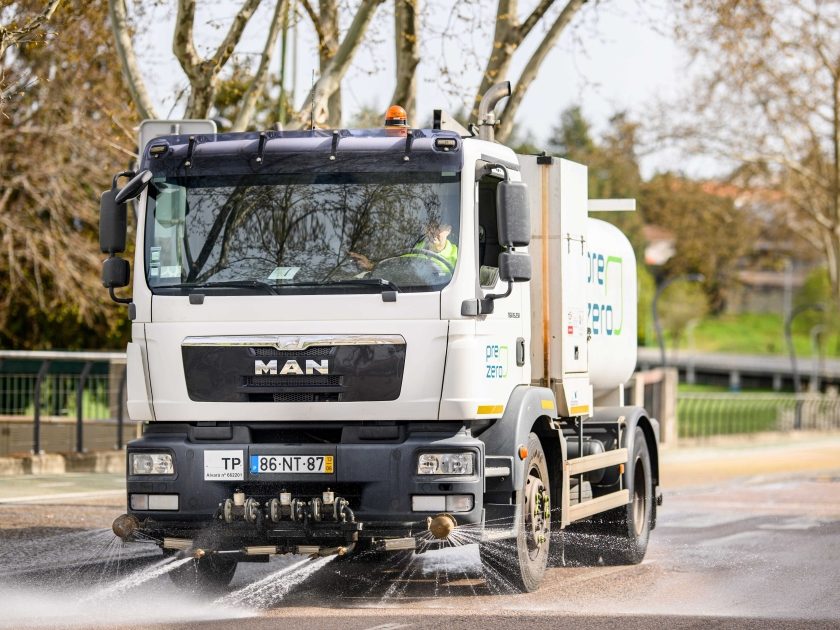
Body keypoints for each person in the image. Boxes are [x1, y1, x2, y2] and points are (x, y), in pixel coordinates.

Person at [349, 221, 458, 275]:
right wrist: (372, 266)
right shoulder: (418, 247)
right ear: (426, 229)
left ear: (448, 230)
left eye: (439, 228)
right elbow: (398, 264)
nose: (434, 232)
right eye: (431, 227)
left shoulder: (460, 255)